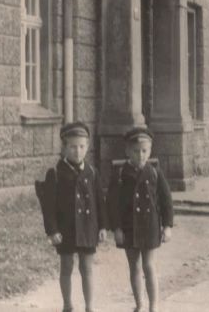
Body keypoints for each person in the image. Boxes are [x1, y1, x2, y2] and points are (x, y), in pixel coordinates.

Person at [42, 121, 107, 312]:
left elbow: (100, 202)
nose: (77, 151)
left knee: (87, 268)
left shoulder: (92, 172)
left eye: (81, 147)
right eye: (72, 147)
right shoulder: (55, 173)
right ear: (64, 148)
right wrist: (52, 231)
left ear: (87, 147)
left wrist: (102, 226)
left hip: (87, 227)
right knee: (67, 266)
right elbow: (49, 207)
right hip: (66, 228)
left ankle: (89, 306)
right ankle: (67, 305)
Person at [107, 127, 173, 312]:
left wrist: (167, 226)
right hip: (129, 228)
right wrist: (117, 228)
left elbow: (166, 200)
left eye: (145, 151)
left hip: (150, 226)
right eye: (136, 151)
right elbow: (112, 204)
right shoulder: (120, 174)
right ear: (127, 151)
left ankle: (154, 305)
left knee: (149, 265)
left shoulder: (154, 172)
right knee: (134, 266)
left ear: (150, 150)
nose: (141, 155)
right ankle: (140, 304)